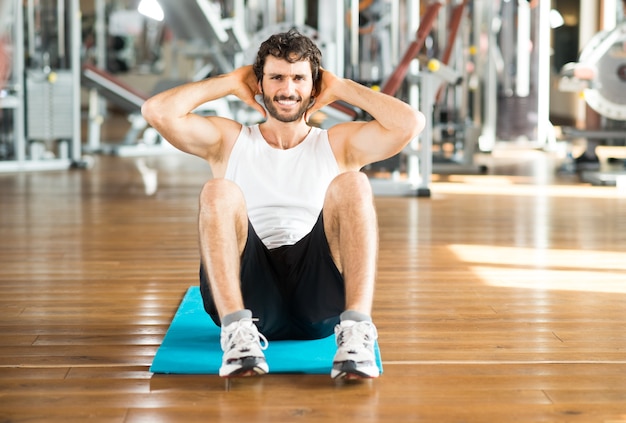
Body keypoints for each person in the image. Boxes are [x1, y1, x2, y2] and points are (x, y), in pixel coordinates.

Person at [142, 29, 424, 379]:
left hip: (319, 297)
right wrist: (230, 81)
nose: (287, 89)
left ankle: (355, 333)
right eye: (276, 77)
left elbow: (410, 124)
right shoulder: (229, 140)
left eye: (298, 79)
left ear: (313, 87)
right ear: (259, 84)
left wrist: (341, 88)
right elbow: (157, 111)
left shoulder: (338, 143)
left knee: (354, 183)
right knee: (218, 191)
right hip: (249, 293)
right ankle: (236, 335)